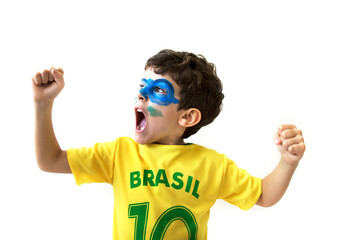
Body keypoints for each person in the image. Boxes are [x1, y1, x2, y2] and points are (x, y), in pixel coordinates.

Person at [32, 49, 306, 240]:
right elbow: (50, 160)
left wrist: (287, 162)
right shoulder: (119, 154)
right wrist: (43, 104)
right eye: (143, 86)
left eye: (158, 90)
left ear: (188, 117)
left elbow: (264, 195)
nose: (142, 94)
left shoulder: (211, 164)